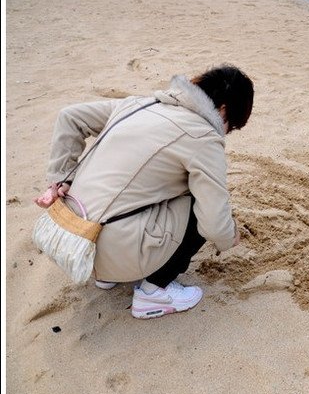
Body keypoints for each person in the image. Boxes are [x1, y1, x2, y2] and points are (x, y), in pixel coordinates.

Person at [33, 64, 254, 319]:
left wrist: (61, 178)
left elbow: (70, 117)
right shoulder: (203, 137)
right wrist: (229, 236)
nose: (226, 133)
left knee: (152, 177)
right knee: (200, 200)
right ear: (223, 110)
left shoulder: (139, 104)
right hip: (105, 252)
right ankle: (153, 292)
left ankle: (108, 276)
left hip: (70, 237)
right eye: (231, 126)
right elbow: (215, 224)